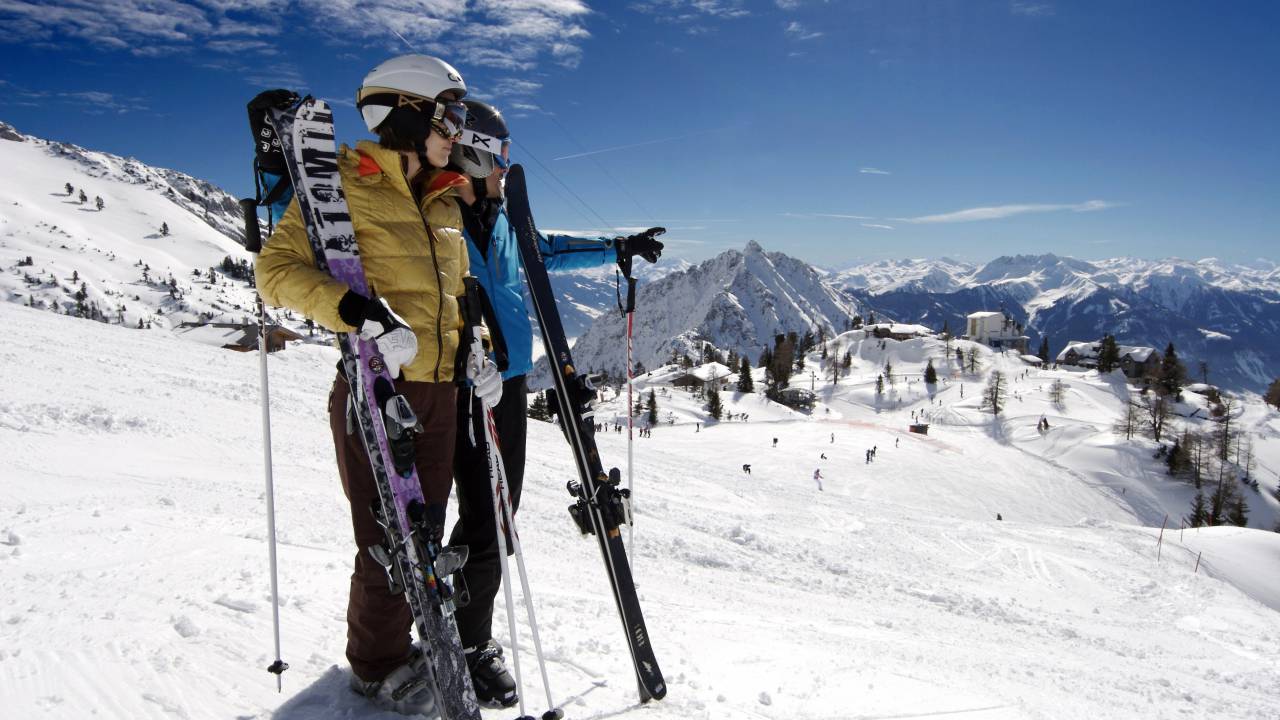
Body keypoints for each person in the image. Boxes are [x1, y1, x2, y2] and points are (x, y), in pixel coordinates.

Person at [255, 54, 502, 717]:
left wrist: (473, 355)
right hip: (377, 391)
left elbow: (450, 301)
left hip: (443, 393)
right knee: (385, 538)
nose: (457, 129)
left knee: (427, 531)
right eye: (446, 115)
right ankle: (375, 666)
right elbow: (274, 271)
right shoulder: (344, 185)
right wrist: (355, 312)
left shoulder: (446, 200)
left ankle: (412, 644)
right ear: (405, 114)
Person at [444, 98, 664, 708]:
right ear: (474, 152)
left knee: (496, 512)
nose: (507, 164)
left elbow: (549, 253)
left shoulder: (503, 219)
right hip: (463, 387)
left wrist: (614, 247)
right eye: (501, 153)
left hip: (508, 383)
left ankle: (454, 616)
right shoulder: (440, 221)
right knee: (487, 516)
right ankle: (467, 643)